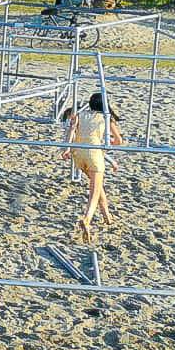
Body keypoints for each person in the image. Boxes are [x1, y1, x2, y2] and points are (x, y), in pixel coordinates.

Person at [64, 92, 124, 242]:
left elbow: (71, 130)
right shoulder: (106, 118)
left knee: (98, 187)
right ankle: (87, 219)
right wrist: (106, 143)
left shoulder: (79, 114)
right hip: (94, 156)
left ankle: (107, 217)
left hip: (78, 155)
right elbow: (118, 141)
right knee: (94, 192)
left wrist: (66, 149)